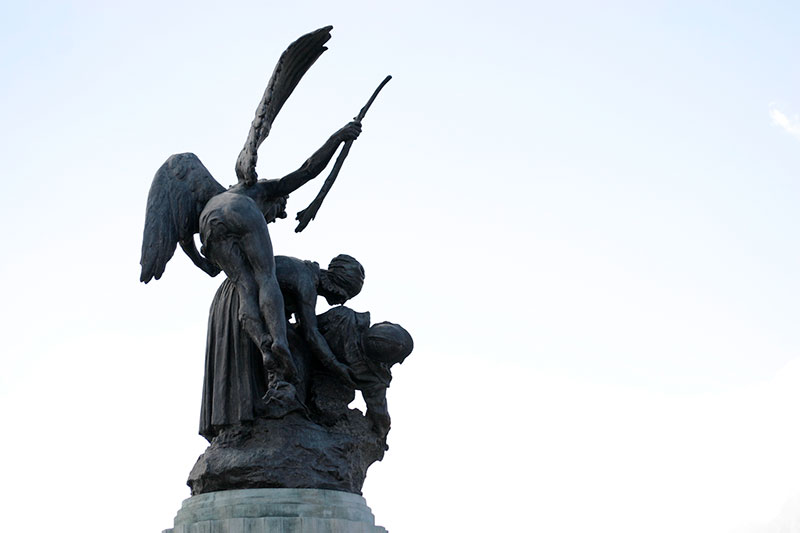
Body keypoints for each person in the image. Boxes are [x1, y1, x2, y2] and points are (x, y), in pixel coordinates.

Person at [200, 253, 364, 440]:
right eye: (345, 295)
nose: (340, 301)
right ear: (336, 284)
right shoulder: (307, 281)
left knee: (282, 348)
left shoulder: (303, 271)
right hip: (243, 300)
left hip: (234, 296)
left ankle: (264, 416)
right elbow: (311, 334)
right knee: (295, 351)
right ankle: (277, 416)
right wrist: (338, 366)